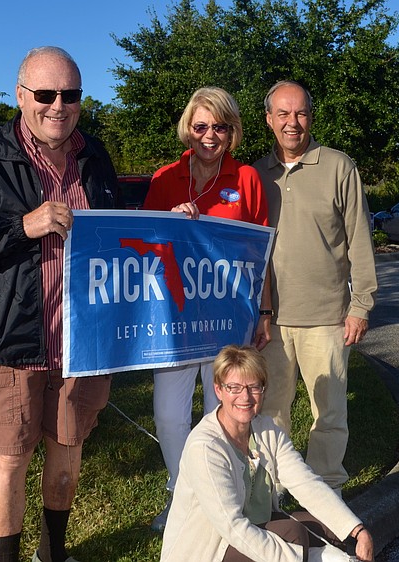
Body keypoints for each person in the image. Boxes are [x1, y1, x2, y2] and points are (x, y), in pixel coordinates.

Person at [0, 46, 119, 562]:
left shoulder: (94, 155)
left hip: (82, 341)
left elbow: (118, 233)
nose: (59, 105)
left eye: (71, 94)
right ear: (20, 96)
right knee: (10, 461)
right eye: (45, 94)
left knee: (67, 453)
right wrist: (21, 227)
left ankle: (53, 552)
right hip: (10, 339)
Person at [142, 86, 272, 531]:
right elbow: (145, 252)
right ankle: (184, 495)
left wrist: (264, 312)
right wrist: (170, 225)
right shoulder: (163, 179)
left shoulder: (248, 179)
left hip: (227, 318)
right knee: (169, 414)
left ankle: (228, 496)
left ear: (232, 130)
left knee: (223, 413)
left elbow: (262, 253)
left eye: (220, 126)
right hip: (175, 320)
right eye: (201, 126)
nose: (210, 135)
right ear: (188, 128)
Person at [252, 81, 377, 492]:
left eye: (301, 113)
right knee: (270, 412)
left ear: (311, 117)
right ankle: (271, 492)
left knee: (330, 414)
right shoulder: (255, 174)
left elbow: (359, 237)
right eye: (283, 114)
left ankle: (326, 491)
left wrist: (361, 304)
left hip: (327, 317)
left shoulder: (339, 166)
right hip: (270, 321)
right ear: (269, 119)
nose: (293, 123)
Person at [160, 345, 374, 562]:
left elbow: (306, 483)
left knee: (329, 527)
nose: (245, 397)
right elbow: (233, 527)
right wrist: (299, 558)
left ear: (263, 389)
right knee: (293, 534)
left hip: (253, 527)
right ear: (218, 390)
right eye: (234, 387)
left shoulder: (266, 429)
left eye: (253, 387)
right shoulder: (205, 447)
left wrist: (356, 530)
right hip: (211, 549)